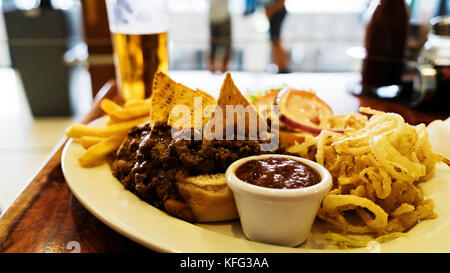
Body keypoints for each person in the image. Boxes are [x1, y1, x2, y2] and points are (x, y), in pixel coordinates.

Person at [264, 0, 289, 73]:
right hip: (274, 12)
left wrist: (271, 11)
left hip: (277, 12)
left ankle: (282, 66)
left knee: (276, 41)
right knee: (274, 41)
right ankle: (279, 66)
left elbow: (282, 2)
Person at [208, 0, 232, 73]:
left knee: (224, 43)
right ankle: (214, 69)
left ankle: (223, 69)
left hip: (219, 16)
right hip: (217, 16)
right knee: (216, 44)